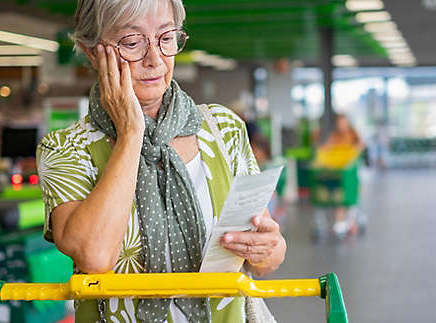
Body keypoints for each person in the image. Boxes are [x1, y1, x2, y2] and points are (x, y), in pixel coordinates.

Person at [35, 0, 286, 322]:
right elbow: (95, 256)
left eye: (166, 38)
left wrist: (268, 250)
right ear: (91, 51)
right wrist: (130, 133)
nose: (155, 60)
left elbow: (268, 254)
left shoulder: (224, 129)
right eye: (132, 42)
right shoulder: (66, 148)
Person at [315, 114, 364, 237]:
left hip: (350, 174)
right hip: (338, 173)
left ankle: (350, 222)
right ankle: (341, 223)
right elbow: (326, 149)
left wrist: (354, 152)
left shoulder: (354, 135)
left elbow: (360, 147)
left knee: (351, 199)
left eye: (344, 122)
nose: (342, 125)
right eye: (340, 123)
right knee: (340, 199)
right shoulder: (334, 136)